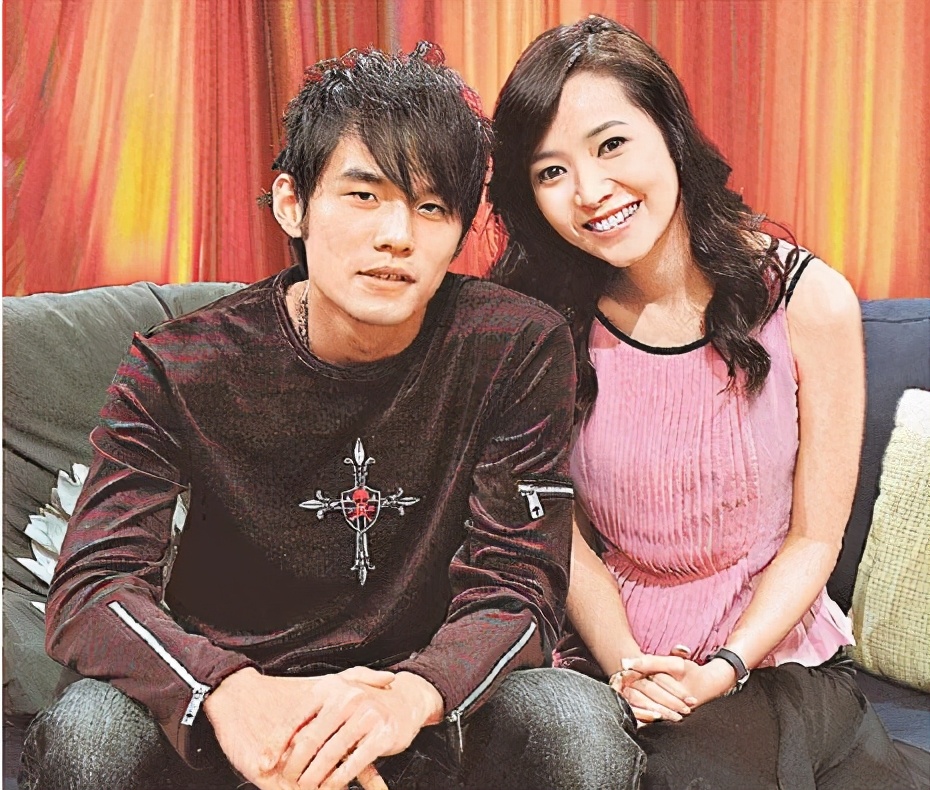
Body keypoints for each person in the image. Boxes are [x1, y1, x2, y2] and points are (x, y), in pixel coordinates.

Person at [20, 43, 645, 790]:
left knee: (574, 723)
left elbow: (518, 580)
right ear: (292, 202)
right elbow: (93, 585)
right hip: (237, 708)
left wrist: (412, 696)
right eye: (364, 195)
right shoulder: (180, 363)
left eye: (432, 208)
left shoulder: (514, 345)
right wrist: (223, 691)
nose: (398, 235)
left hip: (420, 709)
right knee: (90, 732)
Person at [489, 15, 917, 790]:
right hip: (621, 654)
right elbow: (566, 535)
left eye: (611, 145)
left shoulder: (807, 300)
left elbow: (815, 539)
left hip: (770, 654)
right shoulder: (542, 322)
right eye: (551, 171)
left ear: (670, 131)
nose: (590, 192)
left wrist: (724, 665)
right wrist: (628, 665)